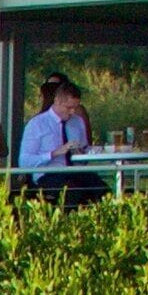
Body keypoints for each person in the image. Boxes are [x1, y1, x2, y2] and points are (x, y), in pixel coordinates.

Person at [16, 77, 98, 205]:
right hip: (49, 174)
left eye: (75, 108)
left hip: (75, 172)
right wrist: (54, 153)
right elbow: (24, 162)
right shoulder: (37, 124)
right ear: (57, 101)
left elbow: (84, 153)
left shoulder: (77, 121)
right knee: (71, 193)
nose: (72, 112)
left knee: (101, 189)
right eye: (69, 108)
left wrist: (85, 152)